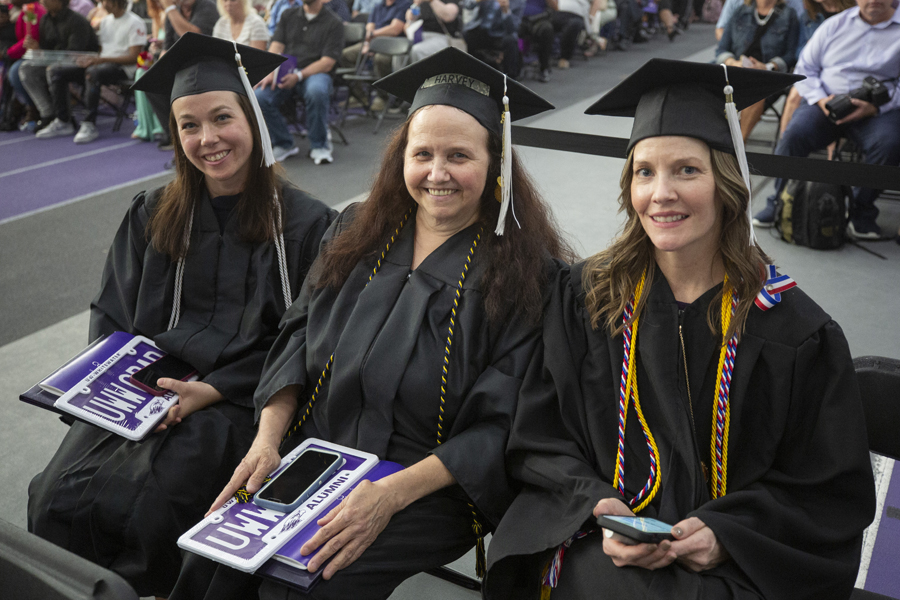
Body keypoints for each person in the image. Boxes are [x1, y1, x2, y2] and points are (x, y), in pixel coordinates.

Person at [168, 47, 574, 600]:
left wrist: (388, 495)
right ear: (400, 157)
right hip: (317, 454)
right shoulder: (356, 231)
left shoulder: (529, 276)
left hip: (431, 485)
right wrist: (267, 440)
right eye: (422, 153)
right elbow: (296, 338)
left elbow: (502, 426)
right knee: (213, 567)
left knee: (305, 584)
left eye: (459, 156)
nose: (437, 173)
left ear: (495, 162)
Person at [484, 59, 876, 599]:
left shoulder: (793, 329)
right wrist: (600, 508)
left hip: (739, 561)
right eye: (645, 171)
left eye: (686, 170)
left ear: (727, 182)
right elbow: (539, 436)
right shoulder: (586, 299)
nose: (661, 192)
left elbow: (826, 491)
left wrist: (726, 534)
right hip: (599, 542)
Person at [27, 33, 336, 599]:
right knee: (54, 497)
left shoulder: (309, 226)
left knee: (155, 506)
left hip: (240, 401)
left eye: (222, 118)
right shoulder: (152, 213)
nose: (207, 138)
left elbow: (311, 340)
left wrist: (213, 389)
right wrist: (119, 390)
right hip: (144, 396)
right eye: (189, 126)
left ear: (254, 120)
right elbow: (113, 315)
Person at [752, 0, 900, 239]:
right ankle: (779, 201)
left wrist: (876, 107)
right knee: (794, 134)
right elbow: (806, 69)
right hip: (826, 103)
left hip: (875, 110)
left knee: (890, 143)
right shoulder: (835, 25)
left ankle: (861, 211)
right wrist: (822, 100)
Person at [34, 0, 146, 143]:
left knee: (93, 72)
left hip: (123, 68)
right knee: (57, 72)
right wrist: (86, 59)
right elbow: (99, 51)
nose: (101, 4)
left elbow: (133, 57)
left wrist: (100, 60)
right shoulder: (105, 22)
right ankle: (63, 120)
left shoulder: (135, 22)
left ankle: (89, 123)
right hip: (101, 64)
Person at [254, 0, 342, 165]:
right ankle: (283, 142)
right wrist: (270, 71)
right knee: (259, 96)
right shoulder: (288, 15)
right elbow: (276, 45)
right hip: (286, 70)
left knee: (316, 90)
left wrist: (299, 76)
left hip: (316, 72)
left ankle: (320, 145)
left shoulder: (334, 22)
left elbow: (327, 62)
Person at [715, 0, 799, 140]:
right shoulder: (741, 11)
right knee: (702, 85)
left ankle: (737, 148)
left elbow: (792, 55)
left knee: (755, 94)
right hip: (737, 70)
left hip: (767, 75)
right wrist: (733, 62)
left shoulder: (789, 15)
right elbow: (722, 49)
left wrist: (768, 66)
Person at [18, 0, 98, 135]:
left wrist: (50, 59)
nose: (42, 1)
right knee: (26, 68)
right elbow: (46, 49)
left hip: (82, 65)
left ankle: (64, 119)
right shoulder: (45, 20)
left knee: (54, 70)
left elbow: (75, 52)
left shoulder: (77, 21)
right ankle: (47, 114)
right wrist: (36, 48)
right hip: (56, 62)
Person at [147, 0, 219, 149]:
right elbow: (167, 48)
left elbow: (192, 37)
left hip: (206, 65)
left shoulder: (206, 6)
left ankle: (191, 132)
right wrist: (158, 72)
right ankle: (174, 136)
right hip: (180, 68)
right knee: (152, 84)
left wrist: (171, 9)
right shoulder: (173, 12)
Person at [777, 0, 853, 136]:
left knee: (838, 96)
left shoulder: (853, 13)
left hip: (840, 69)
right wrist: (809, 47)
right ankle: (784, 144)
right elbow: (797, 52)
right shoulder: (807, 16)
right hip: (812, 69)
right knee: (794, 95)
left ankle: (832, 151)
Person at [340, 0, 410, 111]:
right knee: (345, 55)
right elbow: (369, 26)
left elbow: (395, 29)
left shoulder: (404, 4)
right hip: (372, 42)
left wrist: (373, 37)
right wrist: (368, 43)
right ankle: (359, 95)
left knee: (380, 59)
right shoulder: (378, 6)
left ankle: (383, 97)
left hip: (392, 46)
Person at [462, 0, 523, 77]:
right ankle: (470, 74)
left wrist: (506, 11)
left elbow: (513, 28)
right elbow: (467, 5)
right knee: (467, 35)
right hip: (482, 29)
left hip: (501, 34)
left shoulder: (519, 1)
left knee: (511, 40)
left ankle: (510, 79)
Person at [518, 0, 554, 82]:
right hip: (518, 16)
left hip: (538, 19)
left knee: (547, 30)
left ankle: (544, 68)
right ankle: (517, 67)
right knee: (515, 28)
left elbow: (555, 7)